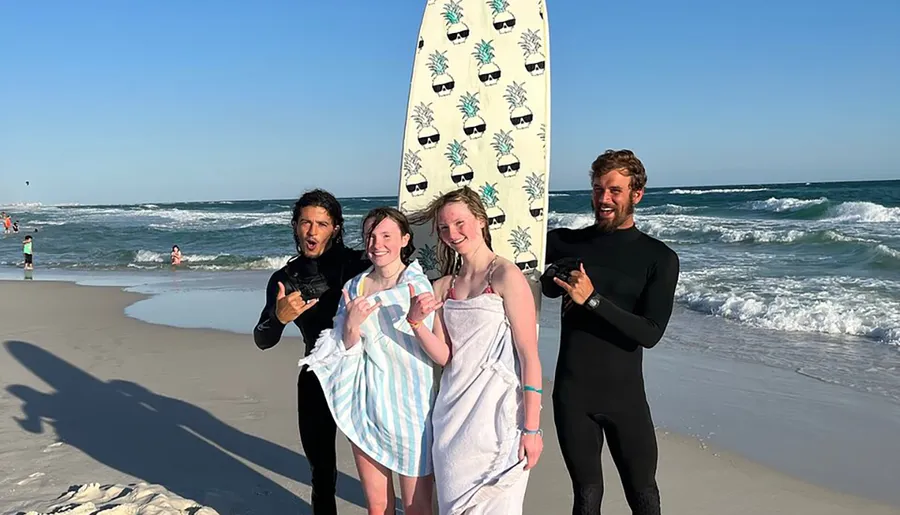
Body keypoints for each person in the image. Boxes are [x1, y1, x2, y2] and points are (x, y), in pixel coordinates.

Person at [539, 149, 680, 515]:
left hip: (625, 400)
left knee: (643, 495)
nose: (604, 199)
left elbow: (649, 333)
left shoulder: (659, 258)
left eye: (615, 190)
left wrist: (592, 300)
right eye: (598, 189)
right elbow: (506, 246)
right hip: (573, 396)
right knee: (586, 497)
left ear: (637, 194)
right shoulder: (566, 243)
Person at [406, 187, 543, 515]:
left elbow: (528, 355)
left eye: (459, 223)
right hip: (452, 418)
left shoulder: (506, 275)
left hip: (497, 419)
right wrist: (416, 324)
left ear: (481, 221)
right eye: (443, 228)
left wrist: (533, 429)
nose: (452, 233)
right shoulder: (444, 286)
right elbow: (445, 357)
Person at [299, 207, 438, 515]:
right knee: (378, 508)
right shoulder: (354, 287)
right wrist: (351, 324)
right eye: (370, 236)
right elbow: (340, 348)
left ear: (404, 239)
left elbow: (436, 350)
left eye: (386, 236)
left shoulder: (419, 287)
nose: (377, 243)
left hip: (412, 409)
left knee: (418, 509)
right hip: (367, 403)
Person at [253, 189, 369, 515]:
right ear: (295, 225)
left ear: (335, 227)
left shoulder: (360, 263)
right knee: (321, 470)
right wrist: (279, 317)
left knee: (378, 457)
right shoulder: (285, 280)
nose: (312, 231)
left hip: (363, 370)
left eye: (321, 223)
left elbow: (407, 255)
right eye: (305, 222)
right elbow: (263, 339)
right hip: (317, 375)